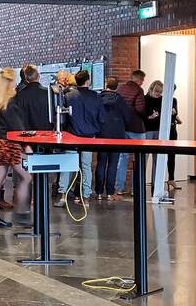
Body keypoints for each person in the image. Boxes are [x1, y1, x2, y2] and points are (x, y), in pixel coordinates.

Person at [0, 68, 28, 228]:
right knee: (26, 177)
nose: (16, 83)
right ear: (9, 83)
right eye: (14, 80)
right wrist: (27, 145)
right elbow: (17, 127)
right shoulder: (10, 102)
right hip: (9, 144)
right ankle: (23, 214)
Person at [61, 69, 106, 205]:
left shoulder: (68, 96)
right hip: (89, 136)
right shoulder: (96, 96)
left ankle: (63, 194)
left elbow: (63, 117)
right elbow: (102, 118)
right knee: (86, 166)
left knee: (67, 165)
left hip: (72, 135)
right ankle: (85, 197)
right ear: (88, 81)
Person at [96, 77, 133, 200]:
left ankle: (99, 192)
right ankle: (110, 193)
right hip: (117, 136)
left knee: (101, 163)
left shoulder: (98, 98)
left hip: (101, 134)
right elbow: (127, 117)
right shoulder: (120, 100)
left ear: (106, 84)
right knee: (113, 164)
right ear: (116, 87)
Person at [115, 69, 147, 194]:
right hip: (136, 128)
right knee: (139, 157)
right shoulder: (138, 90)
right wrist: (146, 116)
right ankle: (136, 188)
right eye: (142, 80)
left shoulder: (120, 89)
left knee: (123, 157)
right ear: (138, 79)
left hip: (123, 127)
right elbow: (140, 109)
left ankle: (119, 188)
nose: (142, 83)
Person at [12, 65, 51, 131]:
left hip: (27, 135)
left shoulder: (19, 95)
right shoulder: (49, 93)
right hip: (47, 134)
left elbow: (18, 118)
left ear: (26, 79)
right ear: (39, 76)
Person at [144, 80, 166, 193]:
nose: (158, 94)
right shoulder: (145, 99)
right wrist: (150, 117)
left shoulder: (162, 100)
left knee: (157, 159)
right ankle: (139, 184)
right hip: (147, 130)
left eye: (160, 92)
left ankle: (156, 184)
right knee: (144, 158)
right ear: (151, 89)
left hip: (158, 130)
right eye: (156, 91)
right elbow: (142, 115)